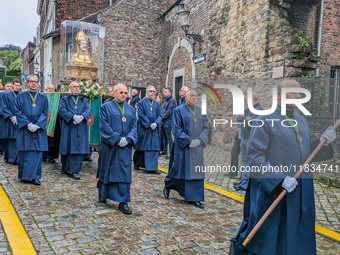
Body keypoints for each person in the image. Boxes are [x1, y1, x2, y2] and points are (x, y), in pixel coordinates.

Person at [230, 79, 336, 255]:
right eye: (293, 92)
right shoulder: (263, 118)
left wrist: (323, 143)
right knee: (272, 239)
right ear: (278, 94)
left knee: (297, 236)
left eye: (300, 92)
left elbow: (306, 151)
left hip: (300, 190)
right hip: (273, 192)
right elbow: (254, 158)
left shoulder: (301, 120)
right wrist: (279, 179)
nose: (298, 95)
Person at [163, 90, 209, 209]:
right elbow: (176, 129)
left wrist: (199, 140)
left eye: (196, 96)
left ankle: (195, 197)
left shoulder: (201, 111)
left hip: (197, 148)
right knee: (178, 170)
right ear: (186, 97)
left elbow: (206, 127)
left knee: (196, 172)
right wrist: (189, 141)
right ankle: (168, 185)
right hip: (182, 147)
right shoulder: (178, 110)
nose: (194, 98)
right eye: (191, 96)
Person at [97, 84, 137, 214]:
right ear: (114, 92)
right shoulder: (105, 108)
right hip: (110, 146)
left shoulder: (130, 110)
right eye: (121, 92)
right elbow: (104, 126)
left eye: (126, 93)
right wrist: (116, 138)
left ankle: (123, 202)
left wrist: (128, 139)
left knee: (124, 173)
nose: (124, 95)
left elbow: (135, 127)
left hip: (125, 148)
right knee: (107, 169)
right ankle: (103, 193)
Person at [15, 75, 48, 185]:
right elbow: (18, 111)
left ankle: (35, 177)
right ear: (27, 83)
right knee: (25, 151)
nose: (34, 83)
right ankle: (24, 175)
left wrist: (37, 125)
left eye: (35, 82)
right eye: (31, 82)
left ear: (38, 83)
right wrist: (28, 123)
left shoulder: (43, 97)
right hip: (25, 129)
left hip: (38, 130)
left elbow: (45, 112)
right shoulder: (20, 96)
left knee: (36, 153)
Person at [58, 81, 92, 179]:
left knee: (78, 148)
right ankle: (65, 167)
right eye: (74, 87)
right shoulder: (65, 99)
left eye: (78, 87)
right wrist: (72, 116)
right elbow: (62, 110)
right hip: (69, 127)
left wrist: (82, 117)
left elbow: (88, 110)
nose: (77, 88)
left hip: (80, 127)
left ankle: (75, 170)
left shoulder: (83, 100)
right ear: (70, 88)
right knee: (67, 147)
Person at [233, 92, 263, 190]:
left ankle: (249, 181)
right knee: (245, 160)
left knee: (251, 161)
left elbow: (253, 122)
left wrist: (244, 118)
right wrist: (246, 118)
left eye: (247, 100)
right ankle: (245, 179)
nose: (246, 101)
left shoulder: (259, 110)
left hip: (251, 139)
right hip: (244, 138)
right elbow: (237, 120)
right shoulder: (248, 110)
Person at [133, 85, 162, 174]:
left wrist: (156, 123)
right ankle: (138, 163)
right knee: (142, 146)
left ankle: (151, 168)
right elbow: (141, 115)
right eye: (150, 91)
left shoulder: (156, 104)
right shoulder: (141, 103)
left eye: (153, 91)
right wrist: (149, 124)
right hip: (144, 128)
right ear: (146, 92)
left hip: (154, 130)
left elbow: (160, 115)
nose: (152, 93)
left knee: (152, 148)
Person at [1, 79, 21, 164]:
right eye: (16, 85)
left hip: (20, 120)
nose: (17, 87)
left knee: (17, 139)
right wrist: (11, 116)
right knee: (10, 140)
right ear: (13, 85)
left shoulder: (22, 95)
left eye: (19, 85)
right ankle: (10, 158)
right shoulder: (6, 95)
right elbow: (4, 107)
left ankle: (17, 158)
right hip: (10, 120)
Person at [42, 84, 61, 163]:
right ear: (46, 89)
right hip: (44, 121)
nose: (51, 90)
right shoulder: (43, 97)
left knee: (54, 140)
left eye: (53, 88)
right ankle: (43, 155)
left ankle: (51, 156)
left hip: (55, 122)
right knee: (44, 139)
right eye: (49, 88)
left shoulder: (58, 98)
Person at [160, 88, 177, 159]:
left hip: (168, 121)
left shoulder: (172, 101)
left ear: (170, 93)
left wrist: (161, 118)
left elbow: (169, 112)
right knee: (164, 137)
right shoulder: (164, 100)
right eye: (164, 92)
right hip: (163, 121)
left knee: (169, 137)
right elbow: (162, 109)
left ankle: (171, 153)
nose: (164, 93)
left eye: (166, 92)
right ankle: (164, 151)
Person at [0, 82, 13, 156]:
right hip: (2, 116)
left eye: (11, 86)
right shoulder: (1, 95)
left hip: (11, 117)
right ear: (5, 87)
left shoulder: (15, 96)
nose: (9, 88)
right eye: (8, 86)